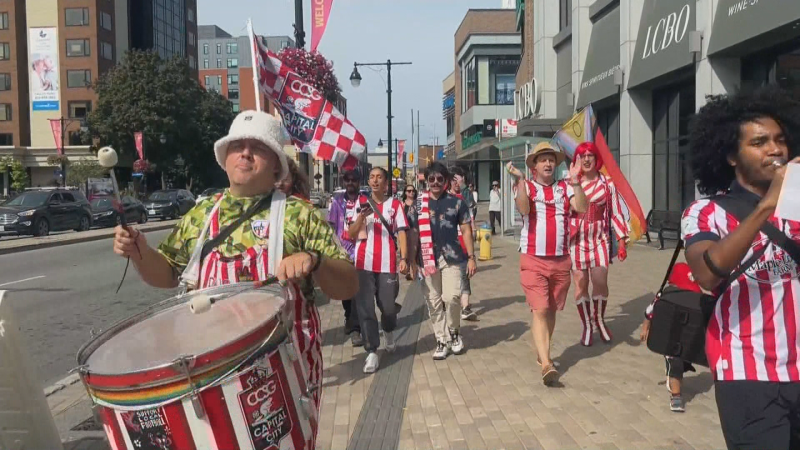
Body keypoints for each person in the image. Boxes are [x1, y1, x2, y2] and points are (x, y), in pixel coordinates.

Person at [112, 111, 358, 444]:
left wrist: (313, 260)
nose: (245, 153)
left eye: (257, 147)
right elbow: (168, 274)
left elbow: (348, 285)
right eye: (237, 145)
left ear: (276, 164)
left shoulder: (298, 214)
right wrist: (139, 250)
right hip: (212, 374)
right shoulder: (202, 213)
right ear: (224, 158)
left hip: (281, 375)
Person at [681, 87, 800, 449]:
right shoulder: (707, 212)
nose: (775, 150)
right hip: (748, 373)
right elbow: (706, 272)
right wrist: (766, 206)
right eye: (760, 142)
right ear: (732, 155)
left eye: (780, 140)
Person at [508, 141, 587, 386]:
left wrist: (576, 181)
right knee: (540, 309)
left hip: (561, 260)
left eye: (551, 159)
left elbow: (582, 208)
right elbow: (523, 208)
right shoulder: (527, 186)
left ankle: (543, 352)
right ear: (534, 166)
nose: (548, 163)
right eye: (542, 159)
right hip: (533, 258)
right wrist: (520, 181)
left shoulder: (565, 187)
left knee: (551, 310)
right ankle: (546, 363)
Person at [347, 167, 409, 373]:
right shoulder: (360, 203)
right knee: (365, 308)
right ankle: (372, 350)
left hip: (387, 264)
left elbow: (401, 232)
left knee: (389, 307)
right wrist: (360, 219)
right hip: (363, 264)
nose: (374, 181)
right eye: (371, 177)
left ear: (386, 183)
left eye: (379, 177)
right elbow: (351, 233)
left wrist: (405, 258)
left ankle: (389, 331)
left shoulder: (395, 205)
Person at [414, 162, 477, 360]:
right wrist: (408, 260)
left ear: (446, 181)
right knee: (433, 301)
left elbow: (467, 229)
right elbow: (411, 233)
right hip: (426, 258)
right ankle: (441, 340)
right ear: (426, 180)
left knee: (452, 298)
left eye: (439, 179)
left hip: (452, 257)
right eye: (431, 178)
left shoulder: (457, 202)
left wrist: (472, 257)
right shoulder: (419, 204)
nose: (435, 182)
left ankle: (454, 332)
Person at [569, 142, 629, 346]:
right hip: (576, 241)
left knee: (600, 280)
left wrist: (621, 242)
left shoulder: (607, 183)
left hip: (600, 240)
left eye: (590, 155)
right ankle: (587, 325)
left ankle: (599, 319)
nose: (586, 159)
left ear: (596, 159)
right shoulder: (570, 183)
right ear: (576, 160)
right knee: (580, 284)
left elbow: (616, 213)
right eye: (582, 156)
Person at [640, 262, 700, 413]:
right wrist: (645, 328)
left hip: (688, 338)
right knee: (676, 365)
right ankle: (676, 396)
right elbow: (649, 312)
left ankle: (675, 376)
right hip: (670, 338)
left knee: (683, 362)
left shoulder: (694, 298)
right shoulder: (664, 297)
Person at [326, 169, 363, 346]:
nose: (350, 183)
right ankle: (349, 316)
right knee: (345, 293)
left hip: (361, 251)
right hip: (342, 252)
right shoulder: (337, 202)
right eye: (347, 180)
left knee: (357, 291)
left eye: (353, 180)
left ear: (358, 182)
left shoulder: (364, 201)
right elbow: (331, 226)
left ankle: (356, 328)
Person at [449, 167, 477, 321]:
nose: (456, 183)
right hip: (450, 245)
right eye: (454, 180)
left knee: (465, 275)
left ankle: (465, 307)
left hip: (464, 243)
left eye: (459, 180)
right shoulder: (445, 199)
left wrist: (473, 229)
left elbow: (470, 218)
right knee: (454, 276)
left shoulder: (465, 198)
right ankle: (455, 305)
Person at [402, 185, 420, 281]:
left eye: (413, 191)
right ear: (405, 192)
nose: (411, 192)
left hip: (414, 230)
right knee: (405, 251)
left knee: (413, 252)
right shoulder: (402, 204)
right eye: (409, 191)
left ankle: (414, 273)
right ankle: (408, 271)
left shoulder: (418, 203)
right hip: (404, 231)